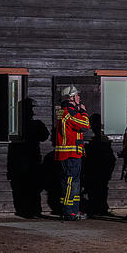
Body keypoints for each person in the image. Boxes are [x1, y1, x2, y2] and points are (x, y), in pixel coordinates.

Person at [54, 85, 90, 221]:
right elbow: (85, 125)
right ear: (71, 98)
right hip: (70, 154)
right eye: (77, 95)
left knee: (73, 183)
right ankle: (69, 212)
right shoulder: (69, 112)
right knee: (70, 182)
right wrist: (84, 112)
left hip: (72, 154)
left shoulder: (65, 111)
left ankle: (73, 210)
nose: (79, 97)